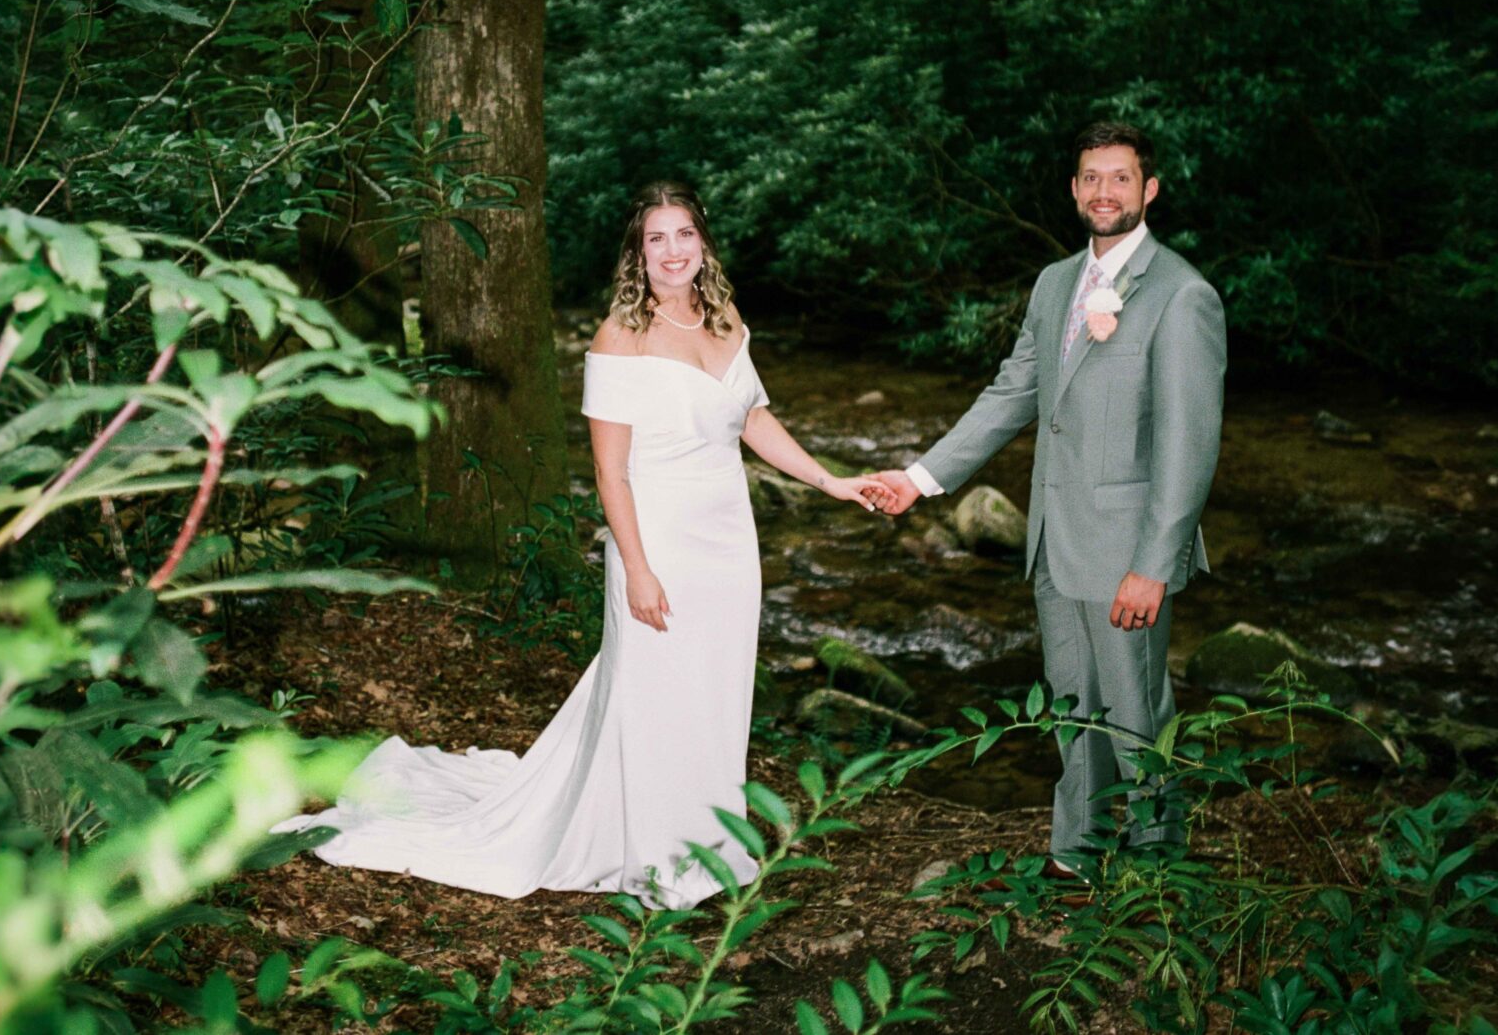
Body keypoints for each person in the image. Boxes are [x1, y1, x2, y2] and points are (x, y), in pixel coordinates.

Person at [275, 180, 893, 909]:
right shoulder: (618, 337)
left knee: (715, 695)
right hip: (657, 540)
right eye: (656, 238)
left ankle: (713, 839)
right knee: (658, 694)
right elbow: (608, 470)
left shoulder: (725, 318)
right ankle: (663, 859)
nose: (672, 251)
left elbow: (753, 416)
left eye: (684, 234)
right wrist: (635, 567)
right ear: (638, 251)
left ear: (704, 242)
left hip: (728, 539)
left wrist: (831, 481)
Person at [873, 123, 1226, 872]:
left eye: (1121, 178)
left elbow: (1189, 447)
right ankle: (1080, 854)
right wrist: (921, 477)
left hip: (1129, 552)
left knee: (1138, 714)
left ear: (1149, 189)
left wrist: (1153, 564)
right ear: (1073, 189)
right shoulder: (1054, 283)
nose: (1105, 191)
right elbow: (1013, 393)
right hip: (1052, 541)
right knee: (1074, 707)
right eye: (1091, 177)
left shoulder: (1184, 295)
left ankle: (1161, 872)